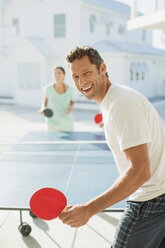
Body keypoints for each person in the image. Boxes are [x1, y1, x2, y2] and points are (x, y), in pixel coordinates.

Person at [59, 46, 165, 248]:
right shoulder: (116, 100)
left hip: (150, 201)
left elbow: (141, 170)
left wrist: (89, 209)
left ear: (102, 69)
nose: (81, 82)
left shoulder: (121, 105)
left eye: (87, 72)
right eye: (75, 77)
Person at [39, 66, 74, 131]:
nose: (57, 75)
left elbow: (72, 102)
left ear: (64, 75)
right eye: (55, 73)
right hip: (52, 123)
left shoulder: (70, 90)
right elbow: (45, 103)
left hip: (66, 123)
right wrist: (43, 109)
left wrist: (70, 108)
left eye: (59, 73)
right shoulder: (48, 89)